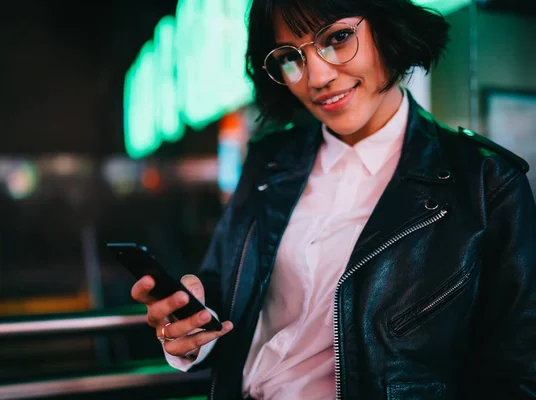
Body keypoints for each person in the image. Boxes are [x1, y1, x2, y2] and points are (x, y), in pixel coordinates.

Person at [131, 0, 536, 398]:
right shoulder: (269, 161)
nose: (317, 77)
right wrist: (193, 329)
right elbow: (222, 291)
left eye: (339, 38)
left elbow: (519, 372)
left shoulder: (485, 182)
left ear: (385, 25)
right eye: (290, 57)